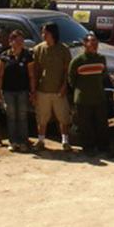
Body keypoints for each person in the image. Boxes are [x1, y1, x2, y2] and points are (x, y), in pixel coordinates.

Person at [68, 33, 110, 157]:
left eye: (96, 42)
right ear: (85, 44)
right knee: (86, 125)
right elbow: (71, 79)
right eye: (92, 42)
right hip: (83, 99)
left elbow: (103, 75)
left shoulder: (101, 59)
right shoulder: (77, 61)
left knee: (101, 123)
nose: (95, 45)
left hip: (99, 97)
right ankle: (88, 147)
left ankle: (103, 146)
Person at [33, 22, 72, 152]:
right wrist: (34, 89)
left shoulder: (63, 49)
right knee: (42, 117)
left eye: (46, 33)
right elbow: (35, 70)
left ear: (53, 33)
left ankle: (65, 141)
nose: (43, 35)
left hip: (58, 90)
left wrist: (64, 86)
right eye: (43, 32)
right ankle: (41, 140)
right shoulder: (38, 49)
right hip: (42, 89)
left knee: (63, 117)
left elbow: (67, 71)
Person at [0, 29, 36, 153]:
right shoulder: (4, 56)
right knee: (11, 116)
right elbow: (0, 76)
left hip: (22, 90)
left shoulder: (27, 55)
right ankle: (13, 141)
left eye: (21, 41)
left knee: (22, 116)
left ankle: (23, 141)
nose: (20, 43)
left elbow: (31, 75)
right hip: (8, 91)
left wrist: (33, 91)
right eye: (17, 41)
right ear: (11, 41)